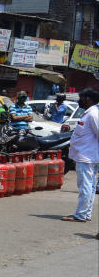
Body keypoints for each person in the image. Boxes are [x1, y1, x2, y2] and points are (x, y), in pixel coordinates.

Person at [61, 88, 98, 223]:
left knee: (85, 186)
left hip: (87, 157)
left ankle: (81, 215)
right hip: (87, 155)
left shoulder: (93, 114)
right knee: (90, 185)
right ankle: (85, 214)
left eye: (81, 97)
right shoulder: (88, 114)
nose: (79, 100)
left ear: (88, 99)